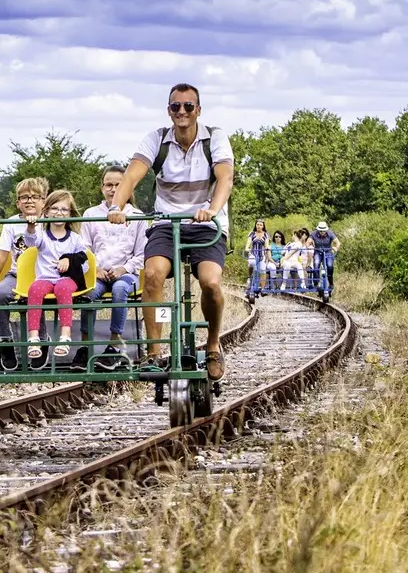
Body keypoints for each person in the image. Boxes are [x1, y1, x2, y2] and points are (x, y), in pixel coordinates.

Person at [107, 82, 234, 380]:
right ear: (169, 111)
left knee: (210, 282)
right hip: (167, 223)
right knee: (152, 275)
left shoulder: (214, 138)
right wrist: (117, 206)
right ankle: (154, 352)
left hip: (206, 223)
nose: (182, 112)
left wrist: (212, 210)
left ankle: (214, 345)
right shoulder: (157, 139)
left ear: (198, 110)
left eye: (188, 106)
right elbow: (132, 175)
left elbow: (225, 178)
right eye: (176, 106)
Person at [77, 165, 147, 368]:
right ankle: (84, 346)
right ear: (102, 188)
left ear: (127, 188)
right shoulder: (91, 214)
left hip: (126, 273)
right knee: (88, 293)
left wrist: (122, 269)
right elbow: (85, 248)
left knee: (120, 289)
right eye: (108, 185)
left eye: (118, 185)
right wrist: (96, 269)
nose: (113, 189)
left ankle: (115, 343)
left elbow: (141, 253)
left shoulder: (137, 216)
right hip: (97, 273)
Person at [0, 177, 50, 371]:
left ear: (44, 201)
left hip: (42, 275)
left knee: (37, 293)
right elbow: (2, 254)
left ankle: (41, 340)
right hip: (16, 275)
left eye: (35, 197)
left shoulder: (50, 221)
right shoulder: (11, 224)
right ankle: (5, 341)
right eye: (24, 197)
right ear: (18, 202)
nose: (29, 201)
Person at [23, 190, 87, 363]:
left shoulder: (75, 239)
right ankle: (34, 338)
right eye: (55, 208)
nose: (59, 213)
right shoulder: (42, 236)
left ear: (70, 214)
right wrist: (31, 226)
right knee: (34, 288)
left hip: (65, 280)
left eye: (64, 210)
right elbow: (30, 242)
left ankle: (65, 335)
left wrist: (70, 261)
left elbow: (85, 263)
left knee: (63, 288)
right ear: (46, 211)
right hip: (45, 278)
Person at [310, 221, 341, 292]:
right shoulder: (314, 233)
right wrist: (309, 244)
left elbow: (338, 242)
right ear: (318, 230)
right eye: (320, 231)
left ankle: (330, 282)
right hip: (318, 251)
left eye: (323, 231)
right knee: (316, 264)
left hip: (328, 252)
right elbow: (309, 241)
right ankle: (316, 282)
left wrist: (335, 248)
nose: (322, 232)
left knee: (330, 266)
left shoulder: (330, 233)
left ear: (326, 230)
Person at [244, 219, 270, 295]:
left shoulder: (266, 234)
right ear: (255, 225)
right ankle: (249, 277)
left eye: (261, 225)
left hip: (262, 254)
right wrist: (247, 248)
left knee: (262, 269)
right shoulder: (252, 233)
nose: (259, 226)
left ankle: (262, 288)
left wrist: (267, 248)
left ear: (263, 226)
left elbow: (266, 244)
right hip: (253, 253)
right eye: (258, 224)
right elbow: (248, 243)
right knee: (252, 263)